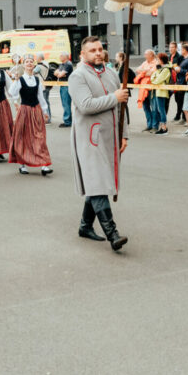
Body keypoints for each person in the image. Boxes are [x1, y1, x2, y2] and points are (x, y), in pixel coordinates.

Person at [67, 36, 130, 251]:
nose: (98, 53)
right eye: (92, 50)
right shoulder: (77, 76)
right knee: (98, 182)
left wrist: (124, 134)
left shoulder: (111, 73)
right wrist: (114, 97)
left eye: (100, 49)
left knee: (96, 182)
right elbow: (85, 105)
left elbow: (121, 107)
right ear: (82, 54)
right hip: (89, 138)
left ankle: (85, 226)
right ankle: (113, 234)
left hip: (110, 137)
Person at [8, 55, 53, 175]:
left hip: (36, 110)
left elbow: (40, 97)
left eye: (31, 62)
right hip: (25, 111)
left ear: (34, 65)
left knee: (40, 137)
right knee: (23, 137)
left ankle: (44, 165)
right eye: (27, 62)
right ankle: (22, 164)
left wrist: (45, 111)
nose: (29, 63)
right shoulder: (20, 79)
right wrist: (15, 80)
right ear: (23, 65)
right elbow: (12, 93)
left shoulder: (37, 80)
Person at [149, 53, 172, 135]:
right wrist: (154, 79)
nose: (157, 60)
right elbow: (152, 77)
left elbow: (157, 80)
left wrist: (154, 79)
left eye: (158, 59)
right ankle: (162, 127)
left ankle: (164, 128)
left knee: (161, 110)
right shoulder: (160, 69)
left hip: (162, 92)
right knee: (159, 110)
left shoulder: (166, 70)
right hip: (157, 91)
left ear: (162, 60)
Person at [172, 42, 188, 122]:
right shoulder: (182, 59)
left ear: (185, 50)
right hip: (179, 81)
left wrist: (180, 70)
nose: (181, 51)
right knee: (179, 99)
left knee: (182, 100)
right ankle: (181, 116)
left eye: (182, 49)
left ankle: (184, 118)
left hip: (184, 82)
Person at [54, 52, 74, 127]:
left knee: (66, 104)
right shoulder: (62, 64)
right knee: (65, 103)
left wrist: (59, 73)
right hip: (63, 85)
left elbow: (59, 75)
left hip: (66, 86)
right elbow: (55, 73)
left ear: (65, 56)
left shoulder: (68, 64)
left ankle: (67, 122)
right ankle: (67, 120)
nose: (60, 56)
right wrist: (59, 73)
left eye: (61, 55)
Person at [32, 53, 52, 123]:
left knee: (44, 102)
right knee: (47, 102)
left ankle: (47, 119)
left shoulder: (39, 66)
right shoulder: (46, 64)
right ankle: (48, 118)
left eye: (36, 58)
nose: (35, 59)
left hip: (42, 86)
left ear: (40, 58)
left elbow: (32, 72)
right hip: (47, 85)